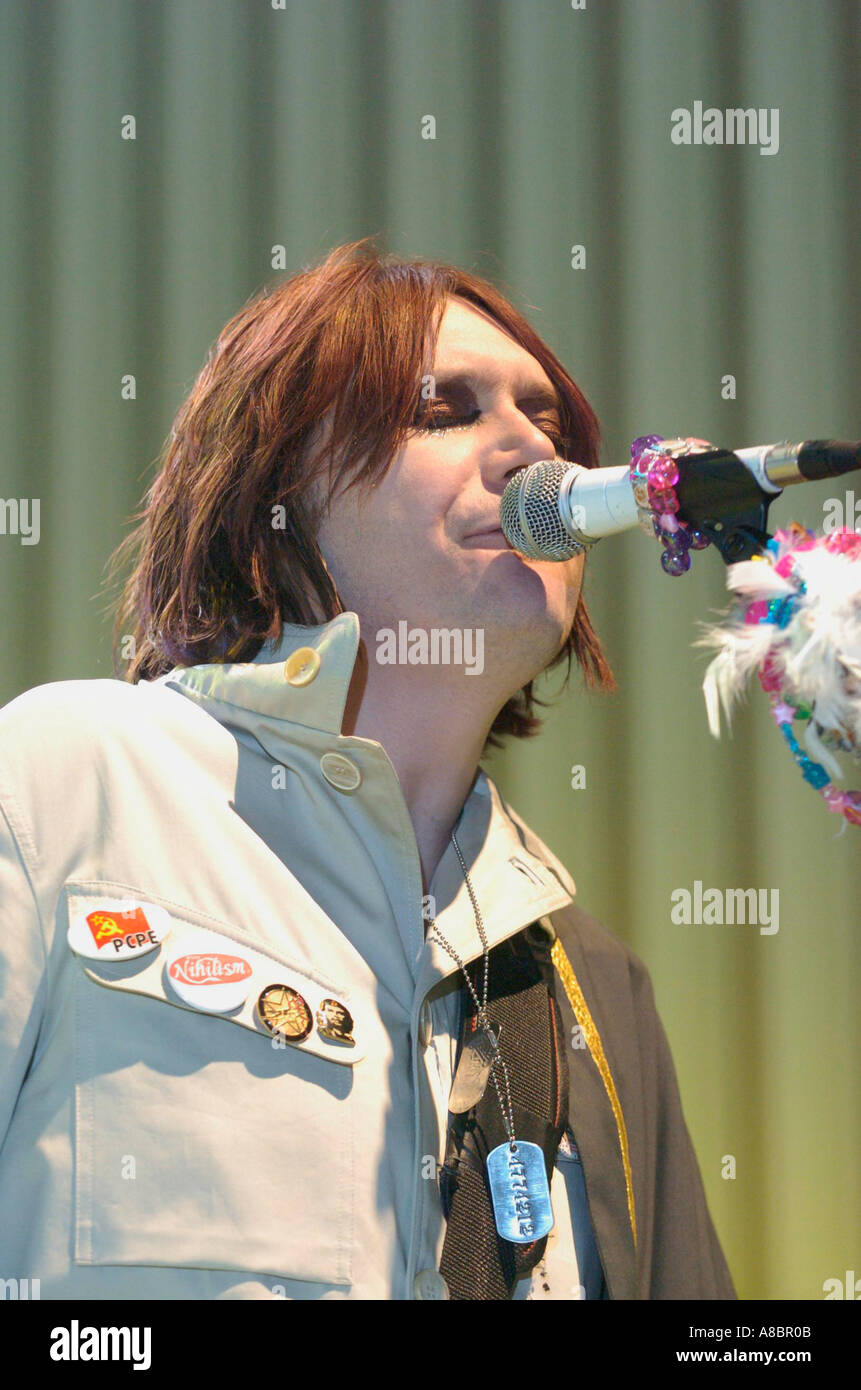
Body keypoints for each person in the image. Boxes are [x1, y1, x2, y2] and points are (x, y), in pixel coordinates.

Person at [0, 239, 735, 1300]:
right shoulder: (61, 784)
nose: (535, 450)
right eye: (444, 409)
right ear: (272, 496)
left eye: (550, 422)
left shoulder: (589, 980)